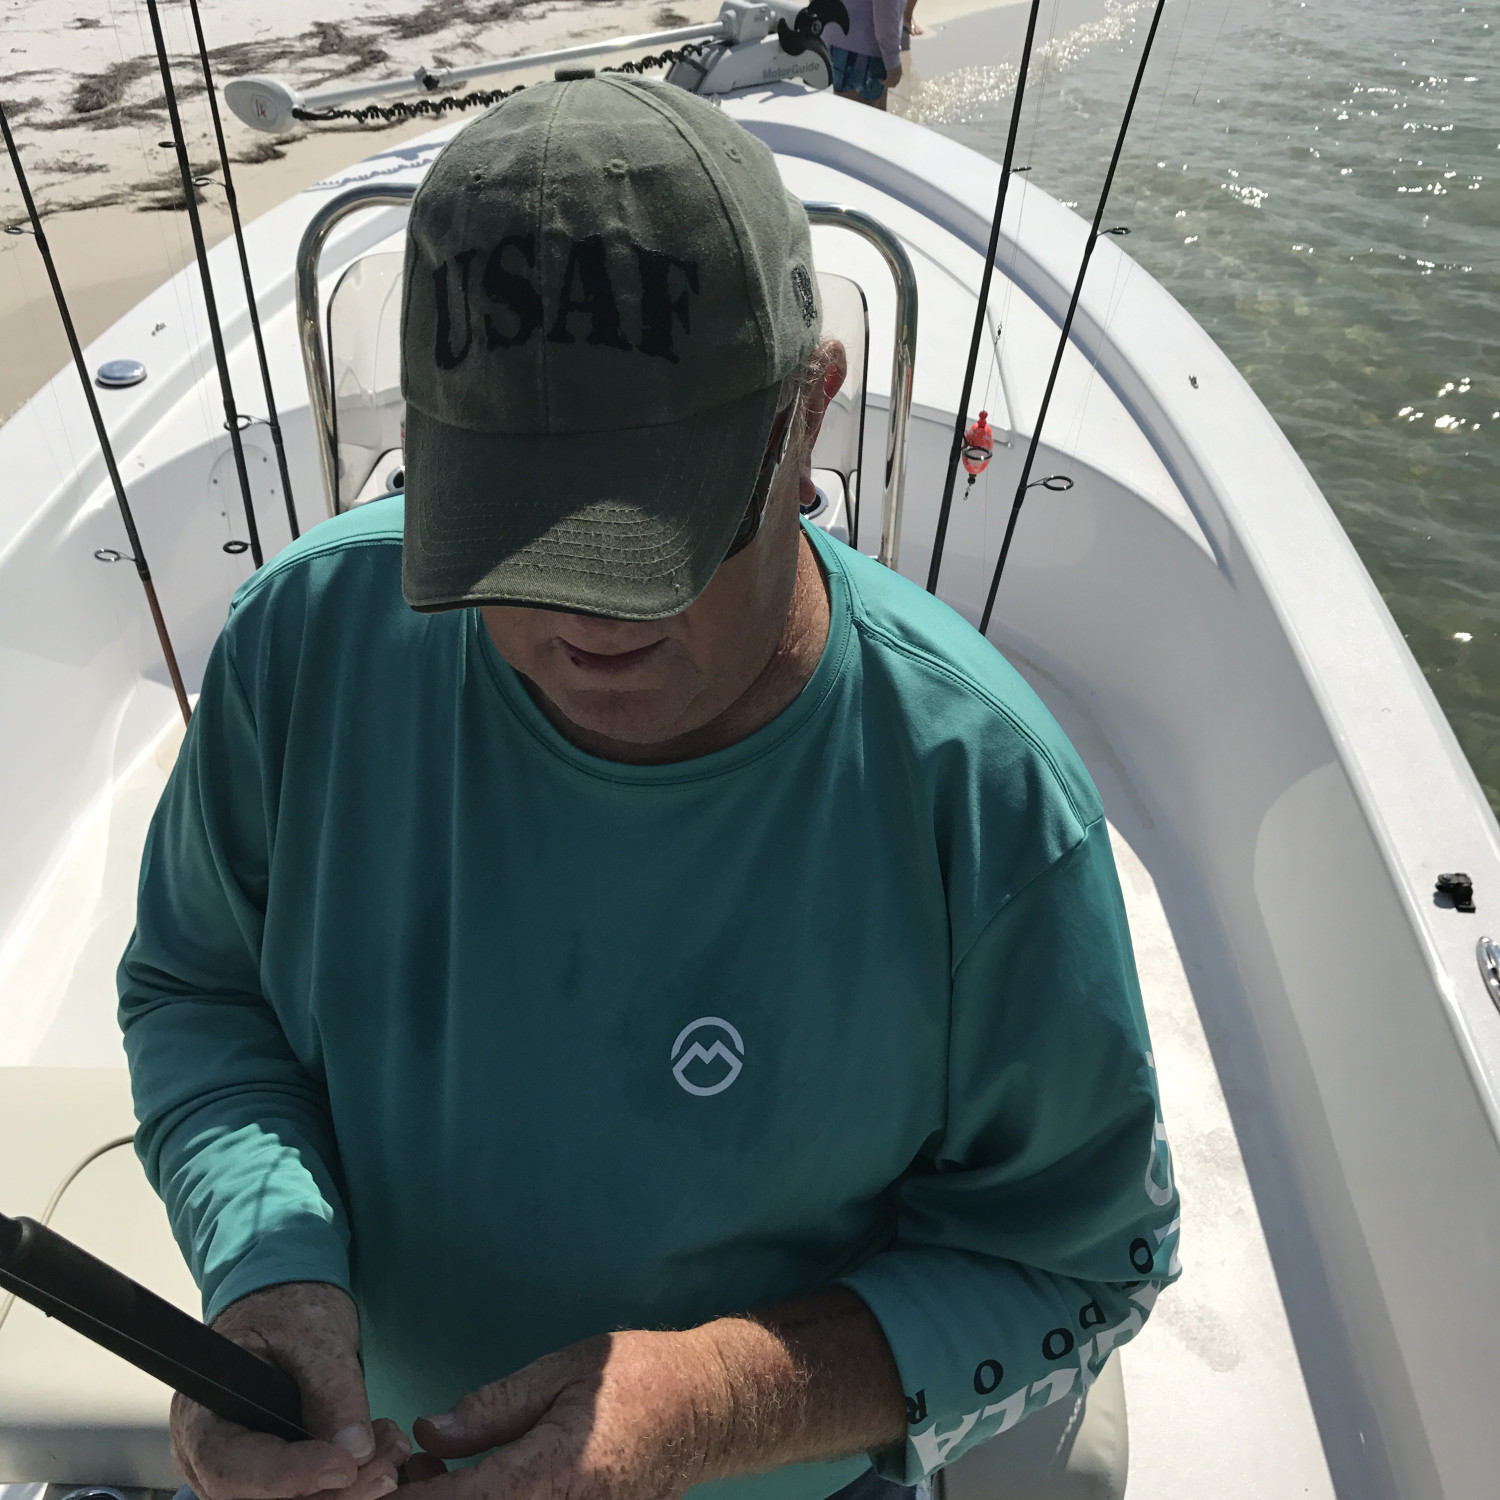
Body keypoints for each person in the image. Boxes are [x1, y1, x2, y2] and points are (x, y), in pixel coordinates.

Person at [118, 74, 1179, 1500]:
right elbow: (199, 997)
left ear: (811, 414)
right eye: (508, 526)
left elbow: (1079, 1263)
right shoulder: (301, 643)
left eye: (655, 532)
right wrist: (269, 1276)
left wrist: (711, 1402)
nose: (587, 623)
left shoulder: (979, 797)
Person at [823, 0, 905, 110]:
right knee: (858, 118)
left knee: (848, 114)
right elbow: (885, 11)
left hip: (838, 36)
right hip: (863, 50)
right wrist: (892, 59)